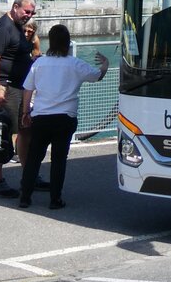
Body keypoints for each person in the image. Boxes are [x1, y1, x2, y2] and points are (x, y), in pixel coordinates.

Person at [18, 24, 109, 210]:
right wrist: (105, 64)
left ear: (50, 42)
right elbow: (97, 76)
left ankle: (25, 197)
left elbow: (28, 89)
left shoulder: (39, 63)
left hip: (41, 117)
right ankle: (55, 199)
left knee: (34, 157)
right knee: (59, 160)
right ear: (67, 43)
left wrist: (25, 112)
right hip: (65, 118)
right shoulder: (74, 64)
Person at [0, 0, 41, 198]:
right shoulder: (3, 28)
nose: (29, 16)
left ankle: (29, 174)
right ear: (15, 7)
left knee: (26, 130)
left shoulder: (17, 26)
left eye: (32, 13)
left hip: (17, 87)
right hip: (6, 88)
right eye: (26, 11)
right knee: (1, 133)